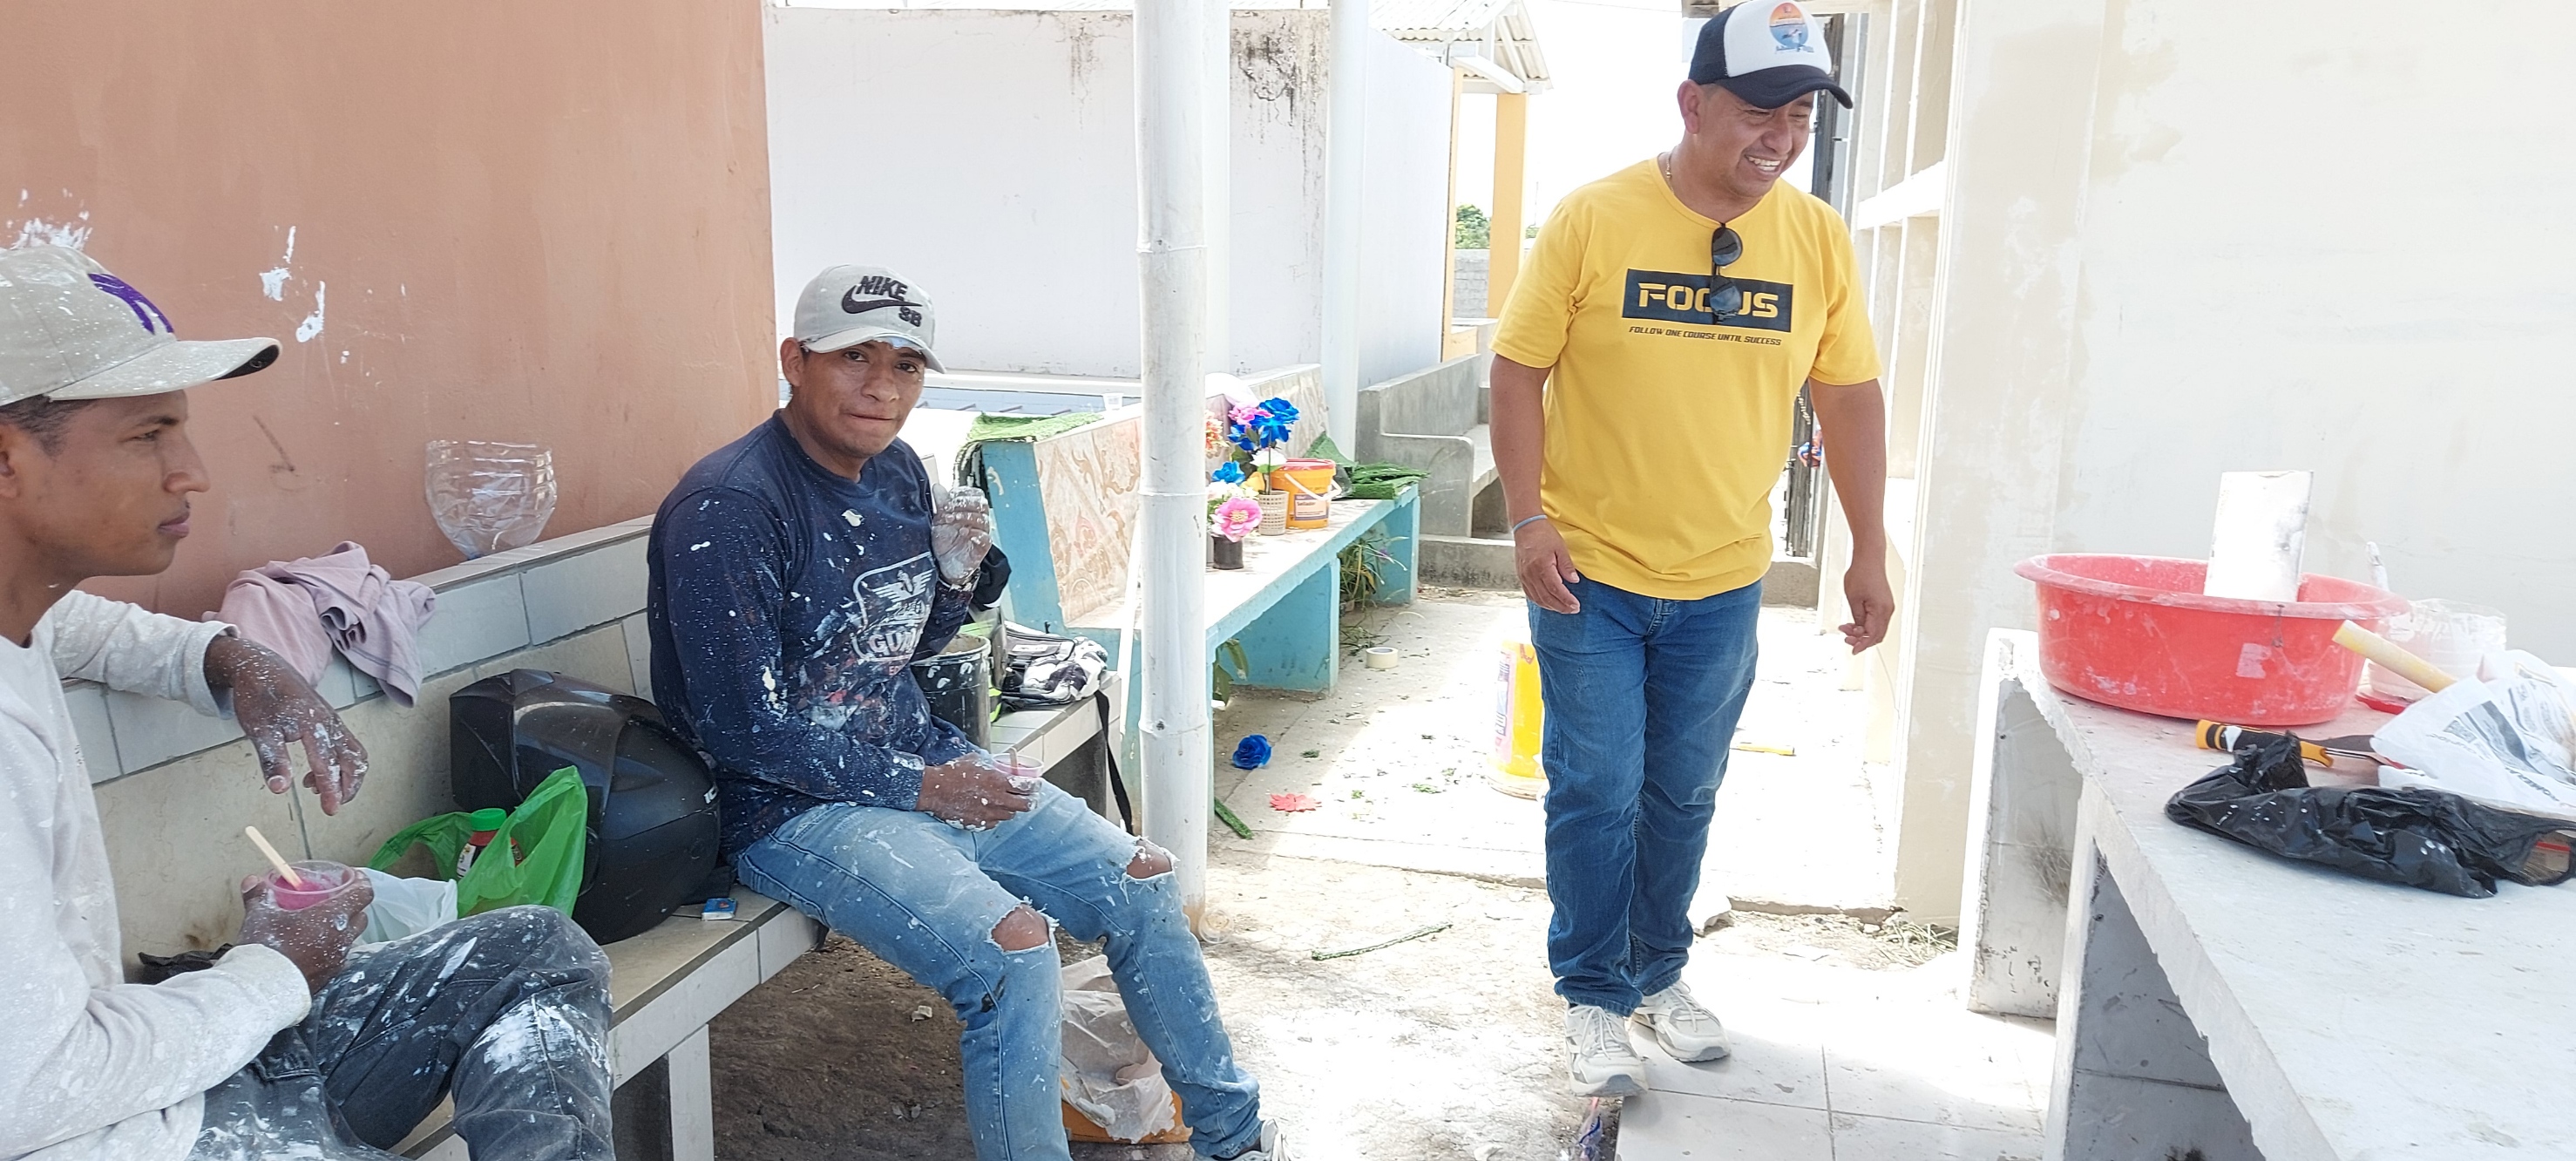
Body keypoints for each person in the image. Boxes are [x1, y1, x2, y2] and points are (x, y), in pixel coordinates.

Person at [647, 265, 1290, 1161]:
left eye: (906, 365)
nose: (881, 386)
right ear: (795, 361)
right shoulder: (733, 507)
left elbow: (908, 649)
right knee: (1014, 954)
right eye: (854, 357)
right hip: (789, 808)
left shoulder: (898, 472)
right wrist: (927, 788)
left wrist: (958, 579)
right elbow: (739, 731)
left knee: (1141, 878)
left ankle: (1234, 1136)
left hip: (919, 760)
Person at [0, 246, 615, 1161]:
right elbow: (30, 1093)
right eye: (147, 436)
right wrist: (275, 964)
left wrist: (229, 655)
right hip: (96, 1130)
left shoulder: (25, 606)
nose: (191, 471)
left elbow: (83, 628)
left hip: (162, 1082)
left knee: (536, 949)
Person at [1487, 0, 1896, 1097]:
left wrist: (1867, 547)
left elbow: (1848, 395)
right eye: (1760, 111)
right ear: (1692, 103)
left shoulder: (1816, 238)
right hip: (1588, 572)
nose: (1781, 136)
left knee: (1682, 790)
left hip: (1724, 577)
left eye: (1801, 116)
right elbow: (1518, 370)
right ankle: (1591, 994)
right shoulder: (1593, 218)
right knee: (1596, 785)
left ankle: (1656, 974)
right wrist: (1527, 518)